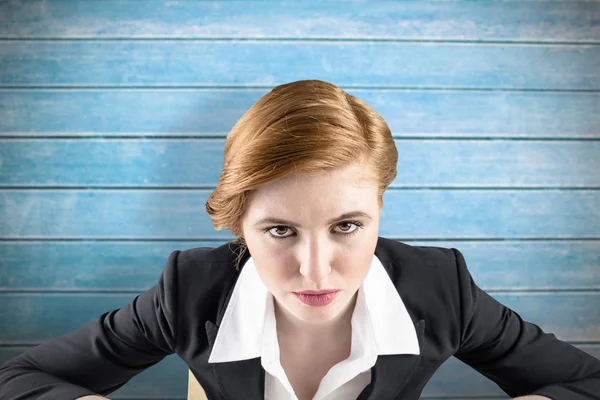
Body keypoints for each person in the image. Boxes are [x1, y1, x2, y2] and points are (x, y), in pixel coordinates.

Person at [0, 80, 599, 400]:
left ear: (381, 209)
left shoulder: (442, 288)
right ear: (239, 224)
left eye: (347, 226)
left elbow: (586, 381)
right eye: (280, 230)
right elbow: (19, 378)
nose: (316, 270)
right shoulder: (189, 289)